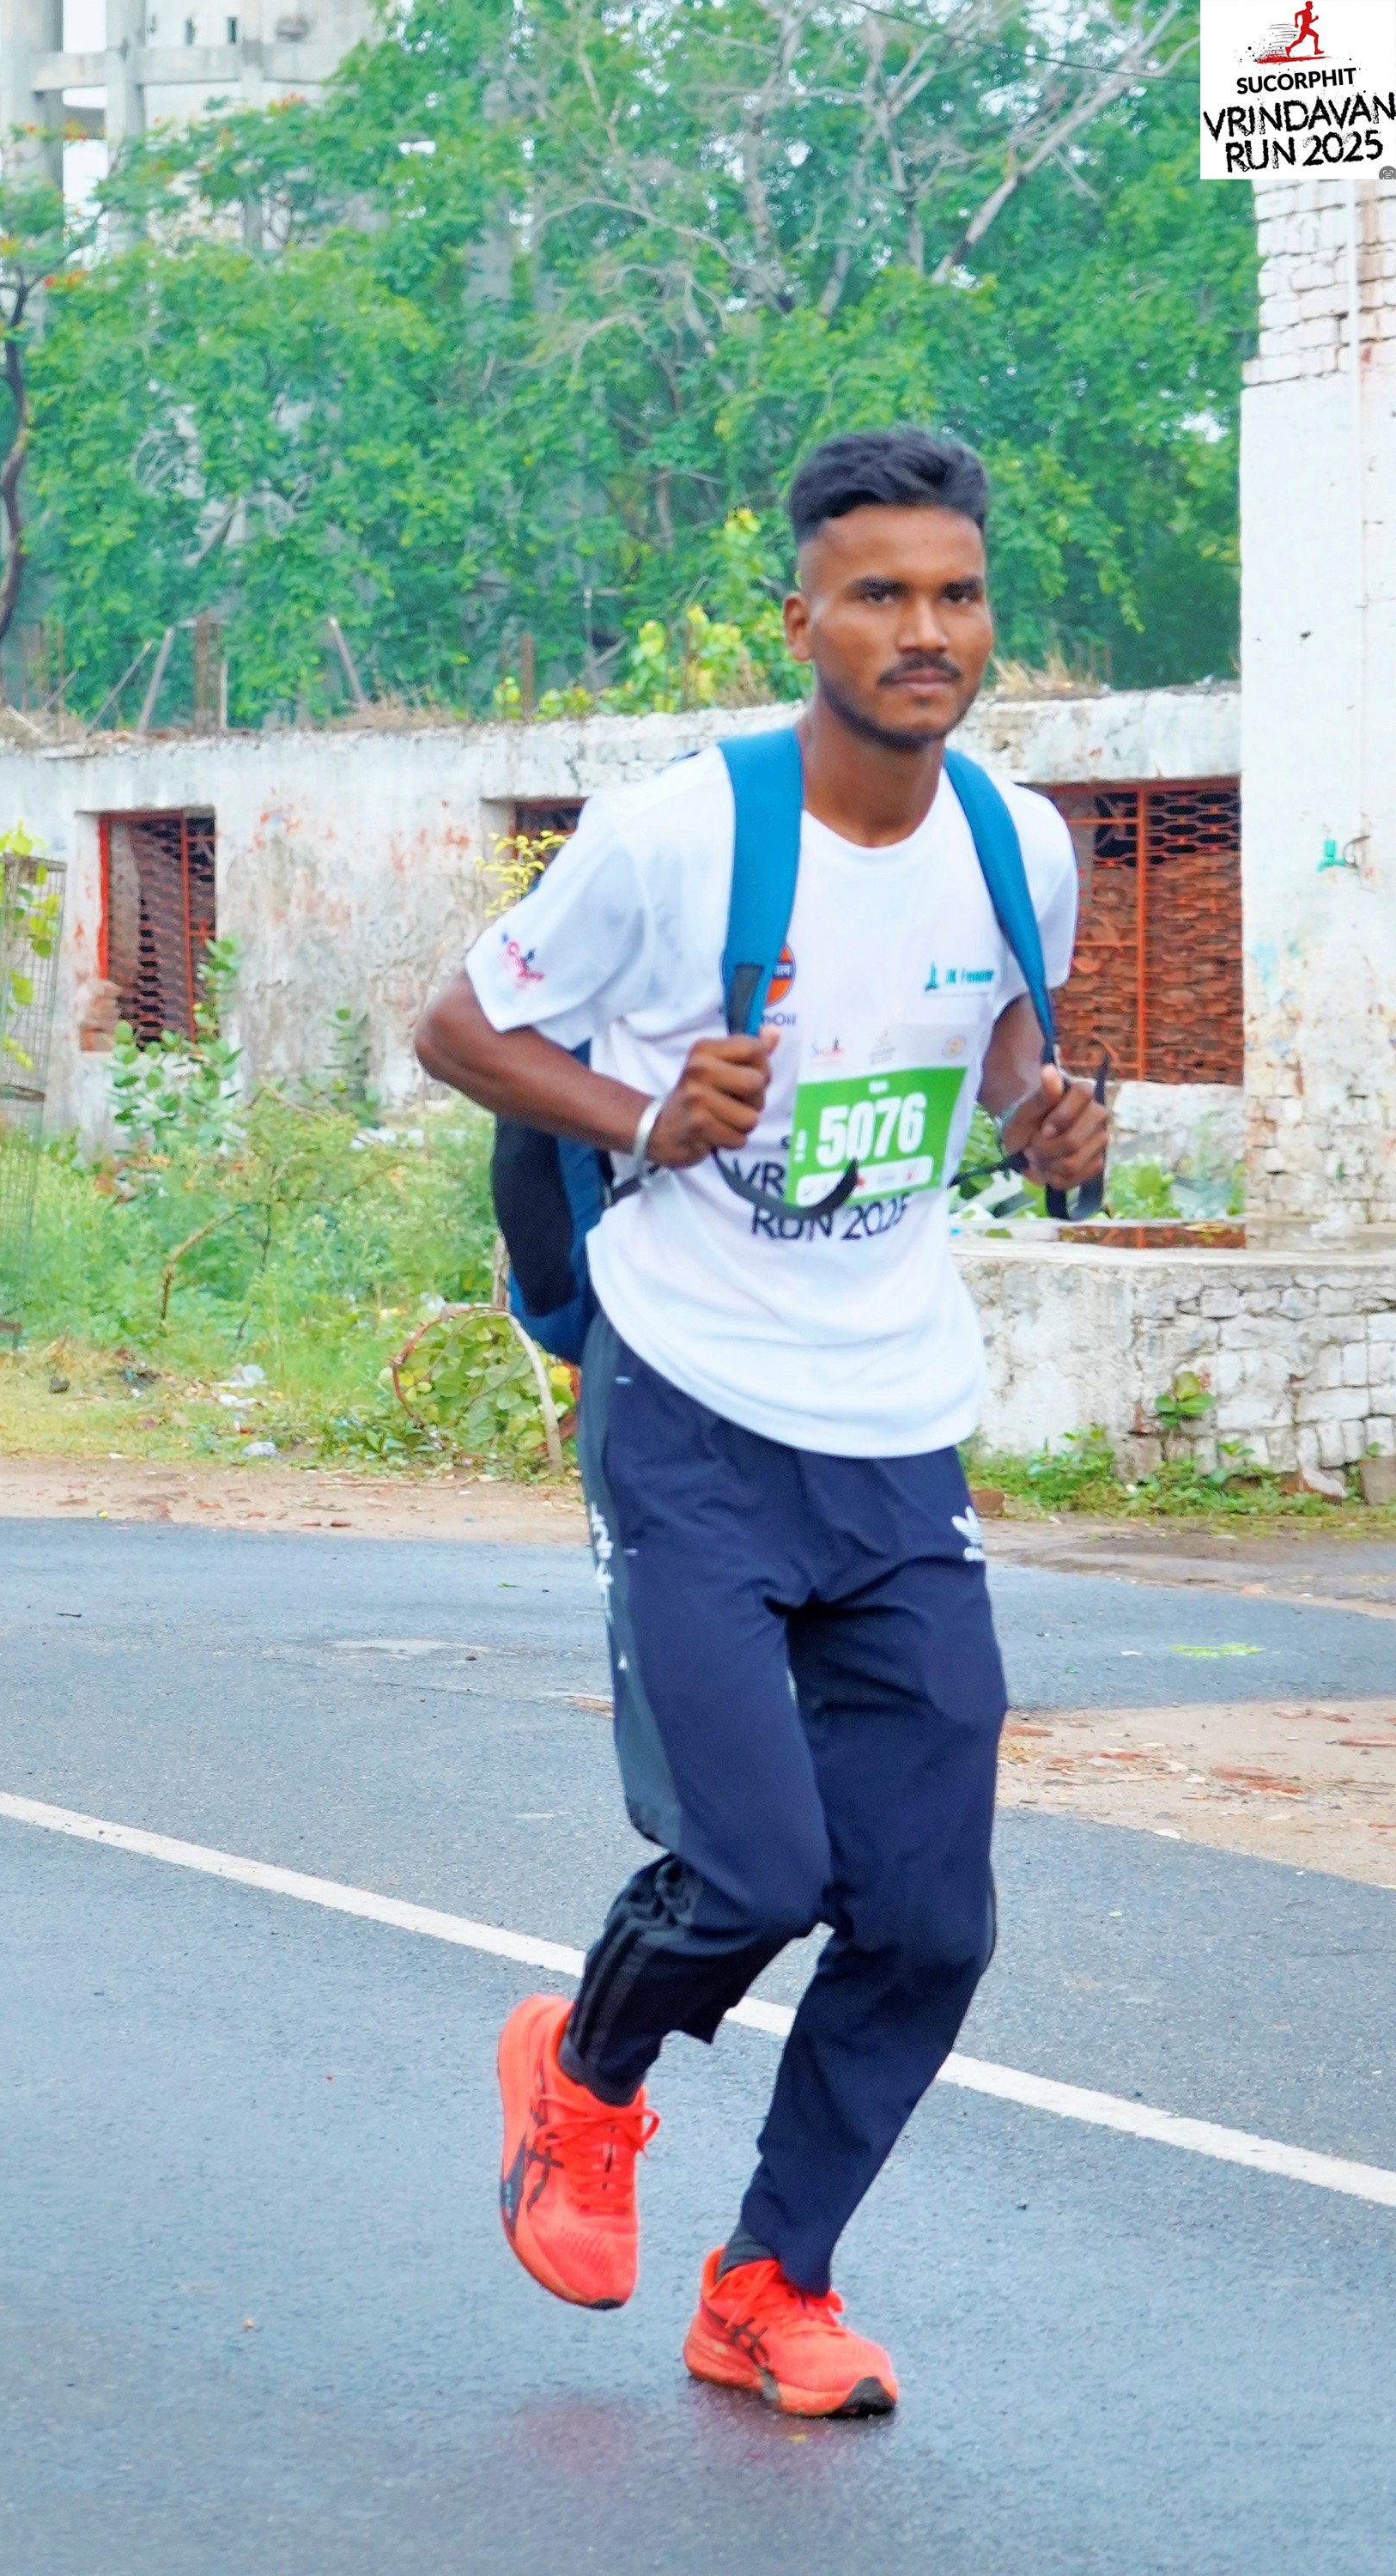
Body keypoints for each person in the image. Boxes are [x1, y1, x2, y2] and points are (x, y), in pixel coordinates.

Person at [415, 426, 1108, 2419]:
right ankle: (584, 2076)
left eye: (955, 594)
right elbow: (459, 1026)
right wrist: (641, 1116)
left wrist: (1042, 1118)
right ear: (802, 617)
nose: (924, 630)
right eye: (879, 595)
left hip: (895, 1420)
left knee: (930, 1916)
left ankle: (769, 2285)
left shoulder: (1020, 845)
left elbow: (998, 1044)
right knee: (749, 1866)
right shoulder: (676, 838)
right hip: (691, 1401)